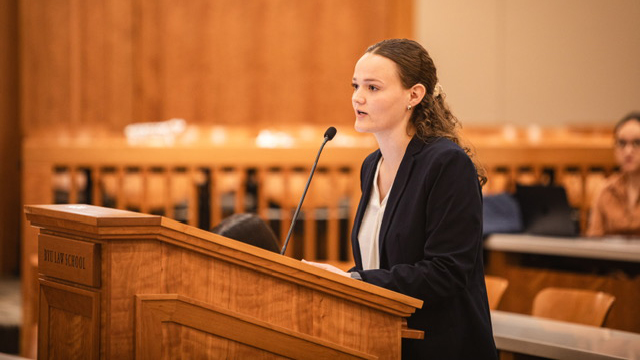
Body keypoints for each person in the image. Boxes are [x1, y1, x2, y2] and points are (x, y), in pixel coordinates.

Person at [305, 39, 497, 359]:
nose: (358, 97)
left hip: (441, 346)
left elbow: (447, 271)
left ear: (414, 94)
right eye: (356, 85)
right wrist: (342, 283)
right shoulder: (371, 166)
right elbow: (383, 264)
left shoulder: (446, 164)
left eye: (373, 87)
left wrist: (355, 281)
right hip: (384, 342)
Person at [587, 112, 640, 237]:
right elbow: (594, 240)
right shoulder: (606, 190)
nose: (628, 151)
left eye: (637, 143)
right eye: (622, 143)